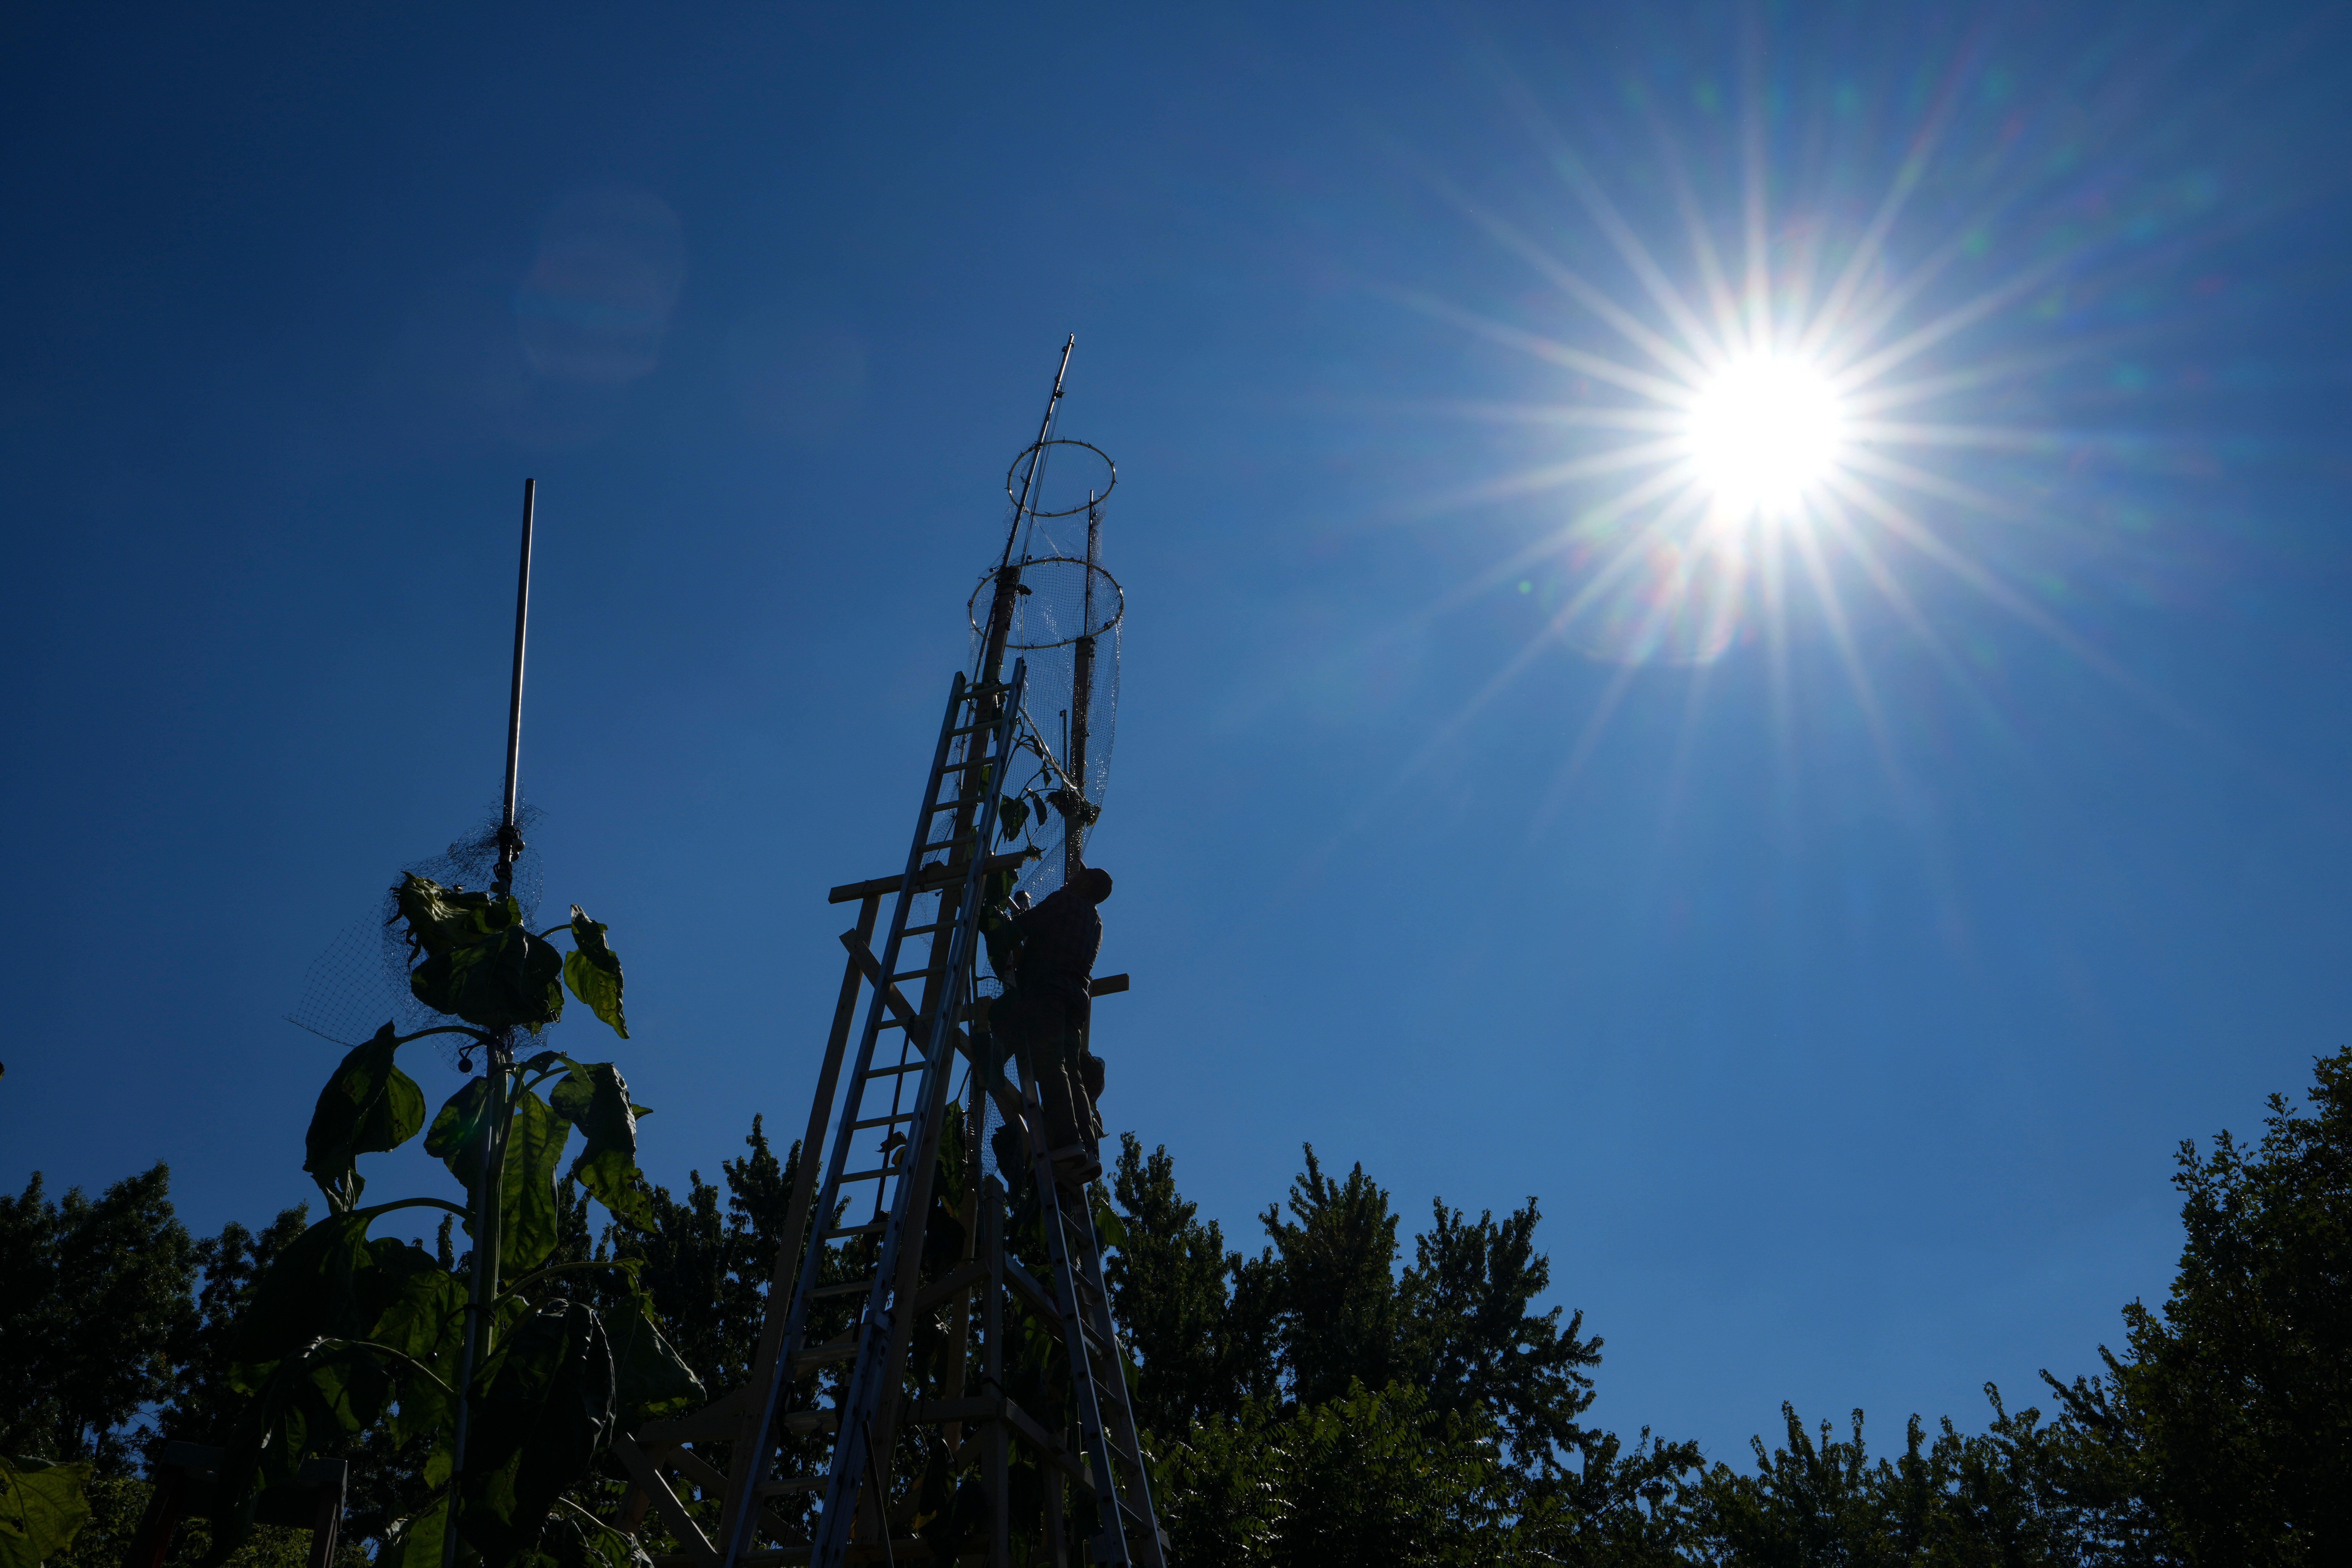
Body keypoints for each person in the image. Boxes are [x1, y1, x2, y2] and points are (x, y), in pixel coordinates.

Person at [995, 865, 1112, 1186]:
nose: (1070, 878)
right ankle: (1087, 1148)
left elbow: (1025, 927)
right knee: (1071, 1070)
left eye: (1078, 877)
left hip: (1047, 991)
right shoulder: (1095, 921)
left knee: (1050, 1063)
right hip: (1075, 1000)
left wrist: (997, 925)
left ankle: (1067, 1139)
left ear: (1086, 884)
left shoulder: (1064, 901)